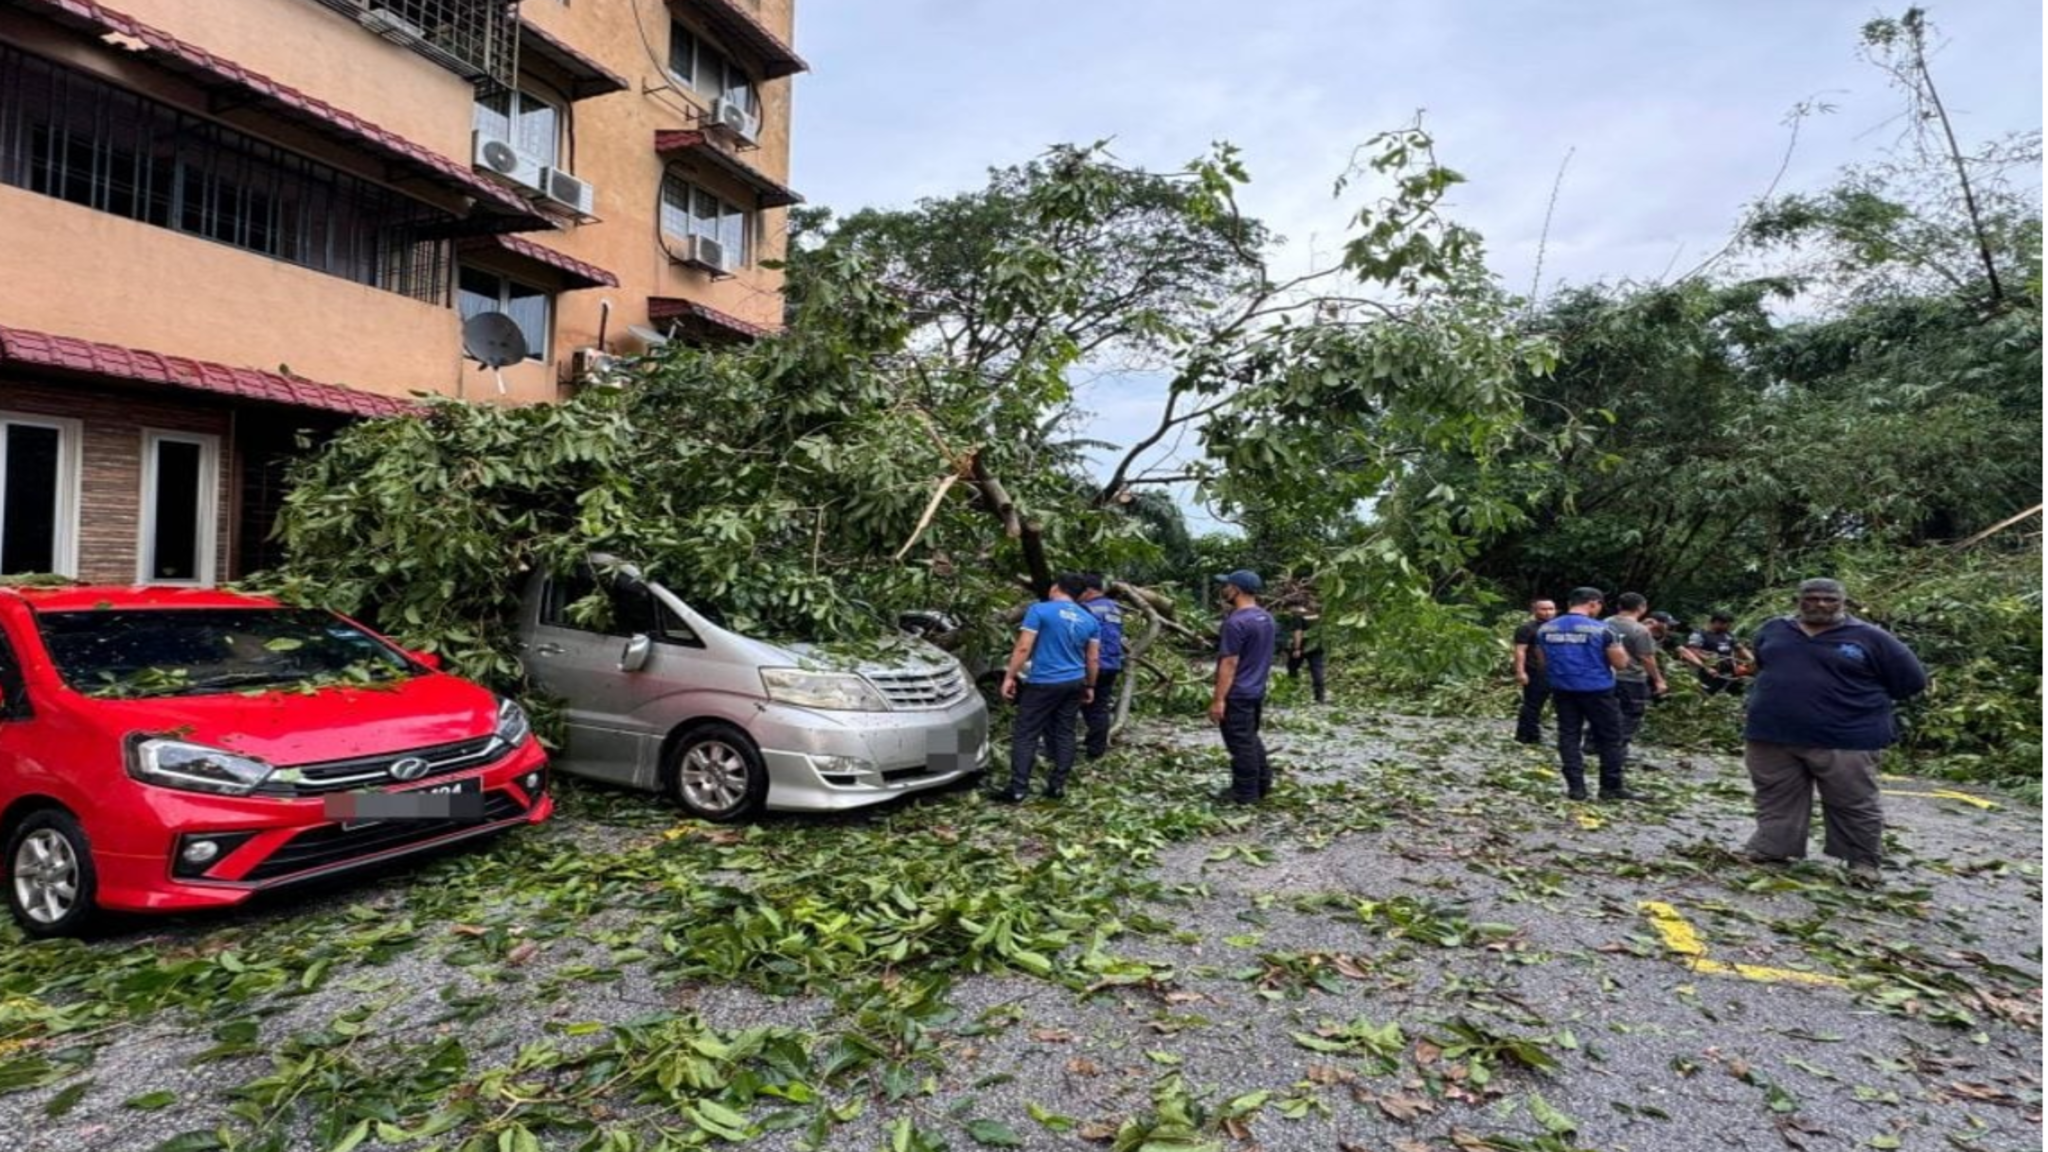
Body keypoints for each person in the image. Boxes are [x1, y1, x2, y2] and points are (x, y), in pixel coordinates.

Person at [1738, 578, 1927, 887]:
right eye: (1812, 599)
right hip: (1772, 733)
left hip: (1847, 737)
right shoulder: (1774, 629)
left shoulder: (1871, 638)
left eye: (1829, 600)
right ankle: (1772, 849)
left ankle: (1862, 862)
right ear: (1798, 600)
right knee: (1775, 796)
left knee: (1853, 801)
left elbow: (1911, 682)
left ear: (1843, 603)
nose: (1821, 604)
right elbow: (1763, 664)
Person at [996, 574, 1101, 803]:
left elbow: (1024, 648)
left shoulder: (1040, 610)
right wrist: (1090, 685)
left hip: (1044, 681)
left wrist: (1009, 676)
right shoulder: (1090, 619)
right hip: (1074, 682)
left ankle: (1017, 788)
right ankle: (1057, 786)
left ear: (1055, 587)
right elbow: (1093, 659)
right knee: (1065, 732)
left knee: (1026, 733)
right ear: (1079, 594)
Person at [1535, 587, 1635, 802]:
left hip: (1562, 688)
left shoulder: (1545, 629)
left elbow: (1543, 662)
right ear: (1593, 603)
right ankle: (1610, 787)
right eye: (1599, 606)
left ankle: (1576, 788)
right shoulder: (1603, 629)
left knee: (1568, 736)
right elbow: (1620, 663)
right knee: (1610, 738)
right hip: (1597, 690)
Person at [1210, 570, 1276, 804]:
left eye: (1226, 586)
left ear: (1236, 589)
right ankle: (1263, 782)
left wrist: (1218, 699)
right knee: (1249, 738)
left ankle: (1245, 793)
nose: (1223, 590)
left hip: (1237, 692)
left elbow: (1229, 662)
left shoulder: (1236, 621)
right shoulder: (1266, 618)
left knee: (1240, 744)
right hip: (1256, 689)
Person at [1605, 593, 1667, 766]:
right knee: (1631, 713)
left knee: (1607, 711)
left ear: (1619, 606)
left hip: (1606, 675)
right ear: (1642, 608)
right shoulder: (1639, 630)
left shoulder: (1606, 622)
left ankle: (1592, 743)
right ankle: (1618, 748)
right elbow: (1646, 657)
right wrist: (1658, 680)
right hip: (1631, 677)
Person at [1077, 574, 1125, 759]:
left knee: (1080, 705)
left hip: (1092, 664)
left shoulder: (1086, 609)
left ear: (1089, 591)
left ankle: (1086, 748)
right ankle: (1096, 747)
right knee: (1100, 707)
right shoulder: (1115, 608)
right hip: (1112, 663)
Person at [1512, 598, 1558, 744]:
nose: (1547, 612)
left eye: (1551, 609)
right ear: (1534, 611)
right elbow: (1520, 651)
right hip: (1535, 671)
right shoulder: (1527, 628)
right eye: (1543, 609)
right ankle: (1527, 735)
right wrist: (1520, 672)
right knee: (1532, 704)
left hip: (1557, 671)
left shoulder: (1558, 627)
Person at [1682, 612, 1753, 696]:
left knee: (1736, 694)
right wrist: (1708, 660)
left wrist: (1752, 660)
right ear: (1717, 622)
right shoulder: (1700, 634)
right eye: (1727, 625)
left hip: (1729, 673)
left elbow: (1740, 648)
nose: (1729, 627)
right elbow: (1693, 651)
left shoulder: (1728, 635)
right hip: (1709, 673)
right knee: (1710, 695)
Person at [1284, 601, 1327, 704]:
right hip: (1316, 646)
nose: (1289, 612)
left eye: (1289, 609)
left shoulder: (1298, 616)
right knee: (1317, 671)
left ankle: (1292, 691)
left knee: (1292, 668)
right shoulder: (1316, 615)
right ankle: (1320, 697)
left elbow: (1298, 632)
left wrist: (1296, 648)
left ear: (1294, 607)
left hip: (1302, 648)